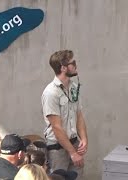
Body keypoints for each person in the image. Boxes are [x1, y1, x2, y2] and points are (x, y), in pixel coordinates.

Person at [42, 50, 88, 178]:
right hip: (58, 150)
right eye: (73, 63)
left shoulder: (74, 87)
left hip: (74, 143)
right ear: (63, 68)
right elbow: (56, 127)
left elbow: (78, 115)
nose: (76, 65)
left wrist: (83, 139)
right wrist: (73, 153)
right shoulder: (50, 93)